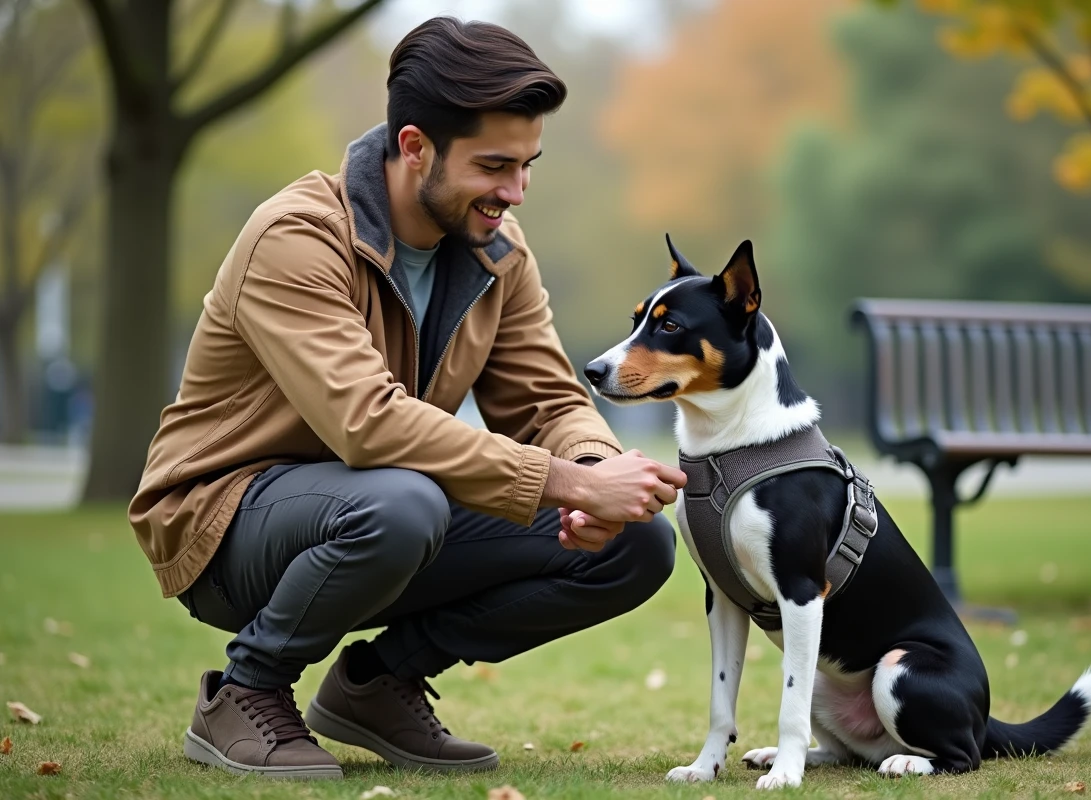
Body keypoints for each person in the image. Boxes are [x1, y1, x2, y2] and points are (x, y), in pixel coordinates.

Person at [128, 16, 686, 780]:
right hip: (225, 522)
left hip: (383, 506)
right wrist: (571, 482)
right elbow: (367, 423)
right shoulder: (295, 238)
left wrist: (595, 472)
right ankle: (244, 691)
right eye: (494, 165)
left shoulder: (497, 251)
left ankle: (378, 684)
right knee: (400, 502)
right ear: (414, 145)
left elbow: (548, 401)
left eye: (528, 165)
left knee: (638, 543)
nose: (515, 192)